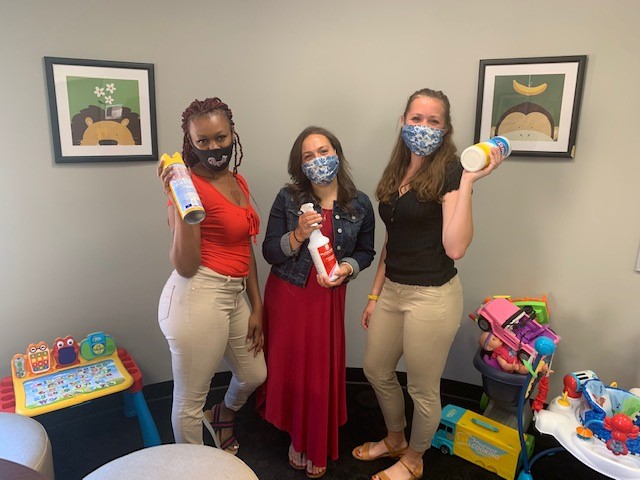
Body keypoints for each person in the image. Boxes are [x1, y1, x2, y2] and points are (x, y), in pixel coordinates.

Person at [353, 88, 505, 480]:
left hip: (433, 297)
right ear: (403, 121)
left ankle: (414, 460)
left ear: (446, 128)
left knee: (422, 389)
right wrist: (374, 293)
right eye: (416, 119)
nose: (423, 127)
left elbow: (455, 247)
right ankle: (395, 439)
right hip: (392, 291)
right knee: (376, 369)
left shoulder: (452, 170)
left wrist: (469, 182)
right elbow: (393, 238)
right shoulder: (396, 169)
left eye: (433, 121)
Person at [257, 126, 375, 478]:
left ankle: (318, 440)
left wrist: (348, 268)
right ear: (300, 165)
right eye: (309, 156)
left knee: (320, 373)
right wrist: (298, 234)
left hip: (328, 295)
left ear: (337, 153)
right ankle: (298, 436)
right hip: (288, 295)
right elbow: (269, 252)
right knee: (293, 368)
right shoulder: (288, 199)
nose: (318, 160)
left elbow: (366, 252)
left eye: (324, 151)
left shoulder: (360, 203)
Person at [157, 97, 266, 453]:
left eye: (220, 137)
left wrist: (257, 305)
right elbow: (185, 266)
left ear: (232, 133)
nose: (213, 147)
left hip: (234, 294)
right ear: (190, 143)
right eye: (202, 141)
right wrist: (181, 203)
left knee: (254, 375)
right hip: (197, 295)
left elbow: (244, 245)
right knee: (189, 403)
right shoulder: (187, 187)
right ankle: (193, 469)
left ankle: (220, 416)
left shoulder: (238, 181)